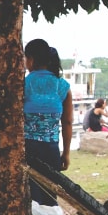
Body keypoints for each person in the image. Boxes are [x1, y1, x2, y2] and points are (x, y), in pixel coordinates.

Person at [22, 41, 72, 204]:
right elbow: (67, 122)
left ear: (30, 59)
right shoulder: (62, 86)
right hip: (51, 150)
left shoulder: (22, 85)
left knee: (30, 198)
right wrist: (66, 153)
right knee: (49, 197)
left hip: (27, 149)